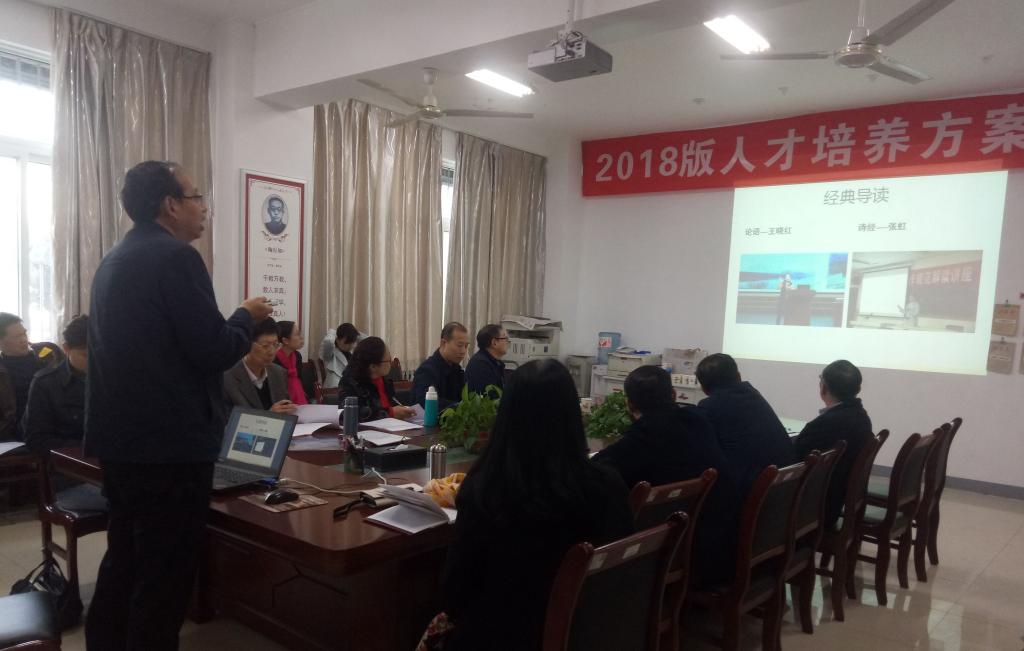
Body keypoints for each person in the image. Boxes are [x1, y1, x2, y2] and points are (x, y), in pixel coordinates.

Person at [84, 160, 273, 650]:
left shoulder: (114, 259)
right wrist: (244, 316)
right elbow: (213, 349)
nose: (203, 207)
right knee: (163, 576)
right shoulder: (176, 258)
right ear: (170, 205)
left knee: (125, 559)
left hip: (122, 443)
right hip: (169, 448)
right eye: (196, 197)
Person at [441, 359, 634, 650]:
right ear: (573, 415)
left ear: (507, 415)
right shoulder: (607, 484)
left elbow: (454, 595)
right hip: (594, 632)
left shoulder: (487, 490)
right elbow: (623, 574)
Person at [592, 365, 741, 585]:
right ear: (673, 394)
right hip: (721, 548)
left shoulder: (642, 437)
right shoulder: (698, 419)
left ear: (629, 403)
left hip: (677, 559)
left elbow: (596, 467)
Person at [21, 314, 108, 512]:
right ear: (66, 348)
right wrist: (84, 450)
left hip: (112, 472)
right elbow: (37, 440)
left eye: (100, 353)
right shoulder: (46, 384)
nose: (95, 361)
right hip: (69, 480)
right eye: (86, 355)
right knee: (130, 503)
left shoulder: (113, 378)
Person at [695, 353, 796, 496]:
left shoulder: (708, 408)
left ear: (703, 389)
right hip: (784, 488)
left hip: (751, 493)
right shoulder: (753, 394)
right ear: (739, 376)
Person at [793, 360, 873, 529]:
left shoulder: (824, 424)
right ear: (858, 389)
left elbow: (792, 461)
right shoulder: (862, 417)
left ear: (823, 388)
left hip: (814, 510)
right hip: (834, 503)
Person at [0, 312, 63, 441]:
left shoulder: (48, 356)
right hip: (19, 429)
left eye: (24, 333)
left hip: (56, 419)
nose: (23, 339)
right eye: (17, 337)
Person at [223, 318, 295, 414]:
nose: (272, 352)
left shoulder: (279, 373)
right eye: (265, 346)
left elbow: (284, 408)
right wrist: (269, 415)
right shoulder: (227, 378)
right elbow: (227, 421)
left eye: (275, 345)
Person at [337, 337, 416, 421]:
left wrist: (402, 410)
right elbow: (348, 414)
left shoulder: (383, 379)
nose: (391, 363)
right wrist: (390, 413)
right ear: (373, 367)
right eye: (388, 360)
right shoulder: (349, 382)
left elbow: (391, 404)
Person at [411, 322, 469, 409]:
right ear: (443, 343)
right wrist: (461, 407)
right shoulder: (427, 370)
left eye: (466, 346)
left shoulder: (457, 369)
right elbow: (426, 403)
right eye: (459, 345)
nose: (463, 351)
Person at [273, 320, 310, 405]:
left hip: (300, 401)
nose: (301, 338)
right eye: (297, 334)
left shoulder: (297, 356)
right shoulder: (273, 359)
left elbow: (299, 380)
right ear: (285, 340)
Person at [464, 324, 507, 395]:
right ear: (494, 343)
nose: (508, 342)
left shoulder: (494, 362)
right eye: (505, 338)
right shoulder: (480, 365)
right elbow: (490, 397)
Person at [321, 322, 360, 389]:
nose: (351, 345)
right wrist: (334, 332)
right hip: (333, 390)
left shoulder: (351, 354)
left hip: (348, 388)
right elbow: (328, 341)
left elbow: (368, 340)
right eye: (347, 342)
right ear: (337, 339)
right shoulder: (330, 354)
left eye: (352, 342)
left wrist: (354, 332)